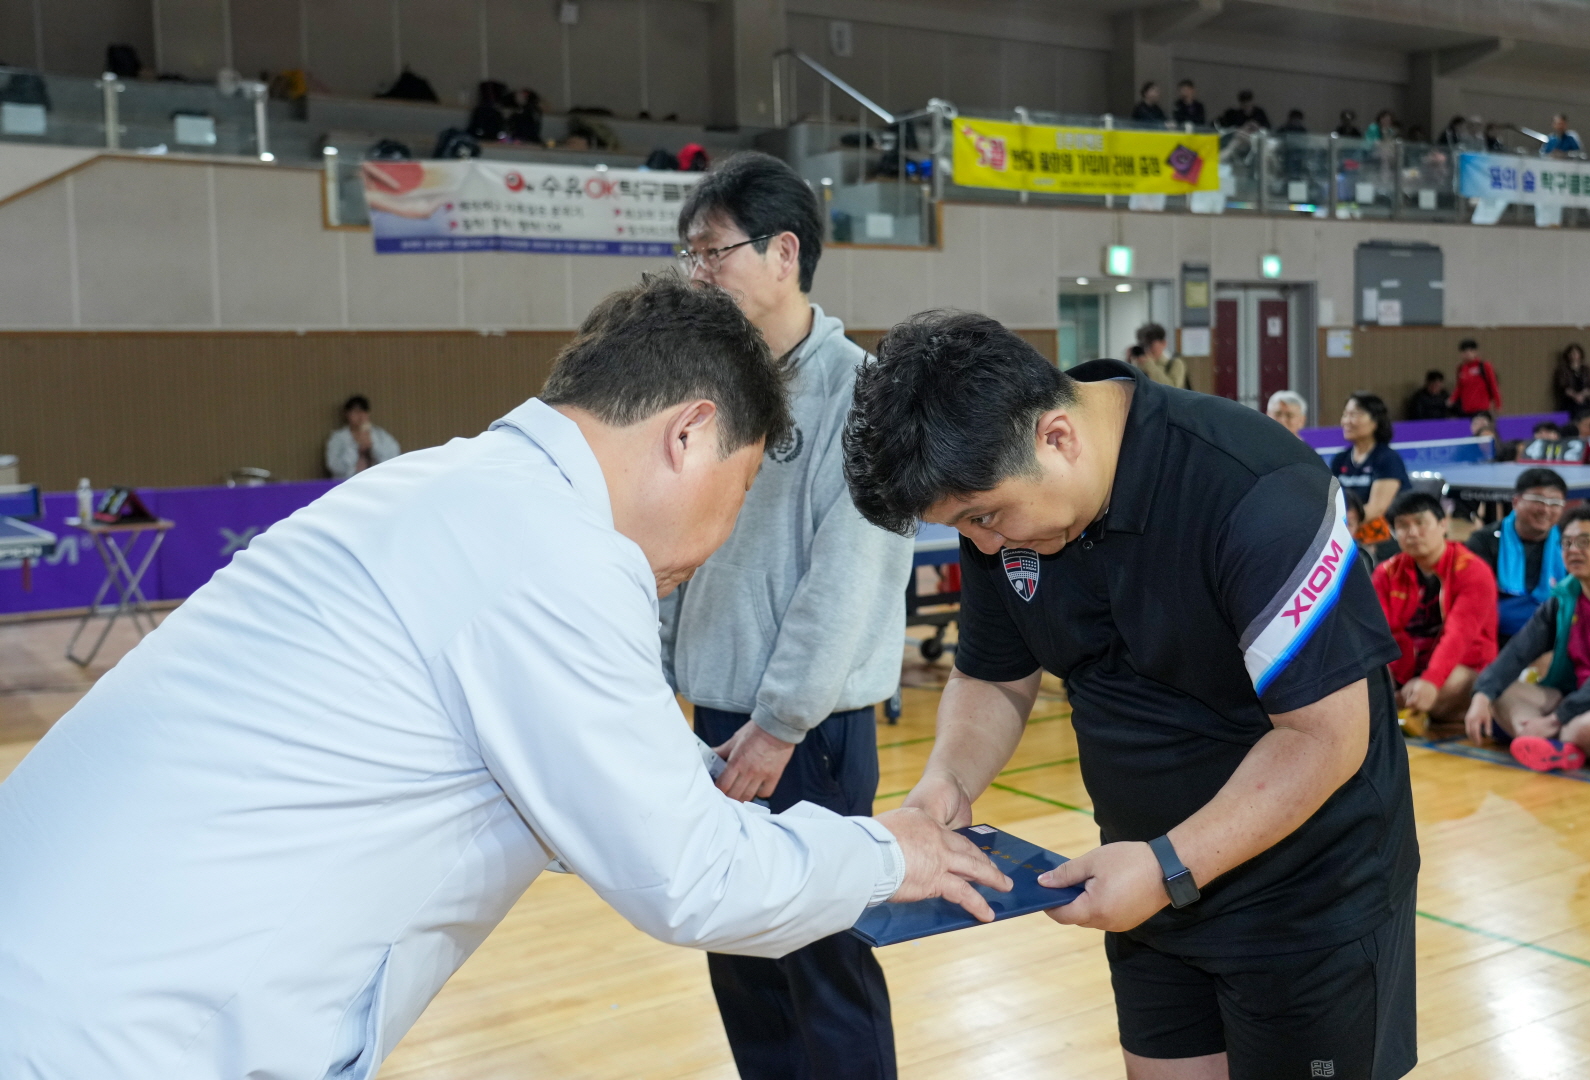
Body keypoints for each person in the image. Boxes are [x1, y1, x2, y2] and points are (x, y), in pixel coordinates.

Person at [0, 274, 1008, 1075]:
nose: (724, 535)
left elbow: (554, 774)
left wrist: (698, 787)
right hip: (120, 1032)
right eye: (741, 489)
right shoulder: (554, 554)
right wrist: (891, 856)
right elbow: (690, 879)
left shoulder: (454, 489)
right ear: (689, 434)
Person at [842, 311, 1419, 1080]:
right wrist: (944, 784)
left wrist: (1171, 864)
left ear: (1057, 437)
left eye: (983, 517)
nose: (982, 544)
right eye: (960, 527)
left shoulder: (1255, 489)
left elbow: (1326, 736)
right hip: (1147, 884)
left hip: (1309, 901)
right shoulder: (1008, 514)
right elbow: (992, 675)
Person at [667, 151, 916, 1080]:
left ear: (783, 252)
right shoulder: (708, 388)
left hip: (805, 733)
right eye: (690, 256)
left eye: (713, 252)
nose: (698, 274)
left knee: (821, 965)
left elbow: (848, 579)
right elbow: (671, 550)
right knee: (740, 958)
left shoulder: (864, 392)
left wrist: (779, 723)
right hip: (714, 719)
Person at [1466, 506, 1590, 771]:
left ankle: (1549, 737)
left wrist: (1556, 718)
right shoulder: (1563, 598)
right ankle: (1549, 744)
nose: (1573, 550)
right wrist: (1482, 695)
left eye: (1584, 542)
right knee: (1501, 692)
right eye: (1566, 543)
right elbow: (1518, 651)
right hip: (1576, 698)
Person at [1373, 491, 1498, 737]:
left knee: (1449, 684)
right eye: (1402, 526)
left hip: (1462, 666)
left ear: (1443, 524)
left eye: (1421, 523)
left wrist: (1430, 680)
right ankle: (1417, 710)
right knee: (1364, 681)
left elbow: (1457, 637)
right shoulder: (1386, 572)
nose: (1412, 533)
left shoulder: (1473, 570)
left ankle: (1418, 709)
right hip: (1406, 668)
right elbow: (1379, 635)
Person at [1465, 468, 1567, 641]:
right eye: (1538, 500)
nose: (1545, 509)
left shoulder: (1570, 542)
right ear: (1516, 502)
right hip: (1498, 636)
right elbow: (1472, 600)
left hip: (1556, 634)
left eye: (1555, 502)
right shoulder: (1483, 541)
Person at [1331, 392, 1410, 545]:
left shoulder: (1388, 458)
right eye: (1345, 414)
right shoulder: (1340, 459)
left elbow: (1377, 509)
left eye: (1354, 415)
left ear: (1375, 421)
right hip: (1347, 531)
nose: (1346, 421)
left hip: (1381, 537)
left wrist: (1342, 526)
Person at [326, 394, 401, 479]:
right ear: (347, 414)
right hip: (348, 481)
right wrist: (355, 446)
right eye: (356, 412)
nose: (360, 416)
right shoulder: (338, 438)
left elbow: (393, 459)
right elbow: (334, 467)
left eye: (363, 411)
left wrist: (373, 446)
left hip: (378, 480)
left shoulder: (380, 435)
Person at [1450, 339, 1501, 416]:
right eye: (1465, 351)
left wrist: (1498, 404)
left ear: (1476, 352)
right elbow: (1459, 387)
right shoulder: (1461, 369)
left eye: (1471, 351)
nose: (1468, 353)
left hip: (1482, 409)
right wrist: (1452, 399)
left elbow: (1493, 385)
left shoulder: (1484, 366)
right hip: (1466, 410)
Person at [1135, 322, 1187, 389]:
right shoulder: (1140, 365)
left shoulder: (1174, 364)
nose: (1146, 349)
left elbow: (1172, 388)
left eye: (1150, 345)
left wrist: (1149, 365)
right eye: (1143, 345)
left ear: (1163, 343)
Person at [1555, 342, 1590, 420]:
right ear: (1568, 355)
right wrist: (1575, 396)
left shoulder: (1585, 369)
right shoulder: (1563, 370)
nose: (1574, 356)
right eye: (1572, 353)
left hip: (1584, 400)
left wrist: (1582, 395)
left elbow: (1589, 385)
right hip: (1569, 401)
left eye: (1576, 353)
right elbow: (1563, 386)